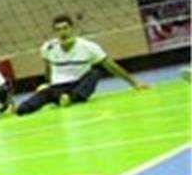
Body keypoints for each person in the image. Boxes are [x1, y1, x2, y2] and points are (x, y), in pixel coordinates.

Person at [17, 14, 149, 115]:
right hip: (57, 88)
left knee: (96, 72)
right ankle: (61, 99)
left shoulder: (88, 47)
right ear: (55, 32)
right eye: (58, 30)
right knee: (23, 109)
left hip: (79, 86)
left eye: (65, 28)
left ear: (72, 29)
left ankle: (70, 98)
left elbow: (111, 66)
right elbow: (48, 69)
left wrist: (135, 83)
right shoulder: (48, 47)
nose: (63, 33)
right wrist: (47, 84)